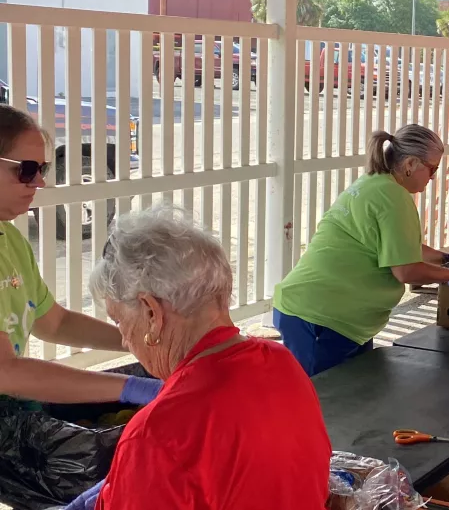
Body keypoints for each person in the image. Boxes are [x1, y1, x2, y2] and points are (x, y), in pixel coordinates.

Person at [78, 206, 331, 508]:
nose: (123, 338)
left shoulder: (158, 433)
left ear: (151, 313)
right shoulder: (283, 364)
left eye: (119, 320)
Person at [273, 124, 449, 376]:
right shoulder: (393, 197)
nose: (433, 177)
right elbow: (405, 270)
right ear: (411, 164)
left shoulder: (374, 184)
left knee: (355, 399)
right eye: (433, 169)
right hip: (321, 317)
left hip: (324, 312)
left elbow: (399, 247)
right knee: (326, 404)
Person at [0, 105, 161, 407]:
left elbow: (54, 323)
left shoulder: (11, 241)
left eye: (42, 169)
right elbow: (5, 371)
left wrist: (138, 340)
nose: (39, 182)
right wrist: (132, 387)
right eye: (26, 170)